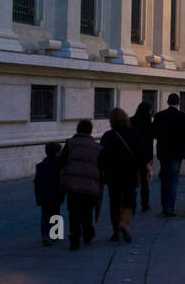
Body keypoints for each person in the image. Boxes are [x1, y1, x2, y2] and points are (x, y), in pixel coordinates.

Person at [100, 107, 149, 242]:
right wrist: (146, 169)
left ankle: (116, 233)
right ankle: (124, 224)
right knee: (129, 200)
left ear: (111, 121)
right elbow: (142, 154)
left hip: (112, 175)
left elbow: (101, 157)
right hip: (130, 173)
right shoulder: (134, 133)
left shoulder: (107, 136)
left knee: (114, 202)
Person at [58, 120, 102, 250]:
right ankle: (88, 232)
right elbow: (101, 166)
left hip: (73, 184)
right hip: (90, 185)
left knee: (73, 212)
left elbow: (62, 161)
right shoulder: (97, 147)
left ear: (77, 129)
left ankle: (75, 238)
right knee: (87, 211)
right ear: (90, 130)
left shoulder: (70, 143)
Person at [151, 94, 185, 217]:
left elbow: (155, 133)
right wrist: (184, 149)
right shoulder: (183, 116)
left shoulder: (159, 116)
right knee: (173, 180)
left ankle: (164, 206)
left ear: (167, 102)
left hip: (163, 151)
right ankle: (170, 207)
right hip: (177, 152)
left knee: (164, 178)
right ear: (178, 103)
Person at [34, 142, 64, 246]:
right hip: (55, 194)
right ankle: (55, 235)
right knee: (56, 213)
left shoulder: (41, 166)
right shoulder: (59, 166)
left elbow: (36, 182)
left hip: (44, 195)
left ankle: (45, 235)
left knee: (45, 214)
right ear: (57, 153)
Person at [130, 101, 154, 211]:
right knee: (144, 181)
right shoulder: (149, 124)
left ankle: (132, 204)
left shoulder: (131, 121)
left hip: (132, 155)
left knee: (133, 181)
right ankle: (145, 204)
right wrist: (150, 158)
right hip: (144, 156)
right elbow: (149, 142)